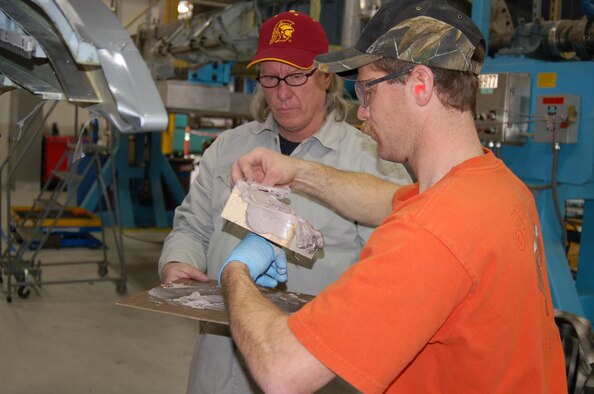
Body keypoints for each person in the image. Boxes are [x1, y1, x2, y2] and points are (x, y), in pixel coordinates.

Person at [220, 0, 568, 392]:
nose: (362, 112)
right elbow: (388, 200)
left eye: (367, 91)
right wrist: (298, 172)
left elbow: (281, 369)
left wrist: (236, 272)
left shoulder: (430, 232)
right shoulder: (498, 188)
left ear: (420, 84)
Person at [158, 9, 412, 394]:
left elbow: (393, 280)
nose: (281, 92)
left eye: (296, 75)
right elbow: (192, 226)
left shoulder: (373, 162)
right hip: (220, 369)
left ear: (325, 76)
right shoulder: (228, 148)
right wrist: (179, 262)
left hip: (314, 371)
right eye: (270, 77)